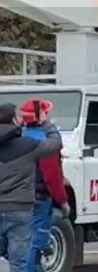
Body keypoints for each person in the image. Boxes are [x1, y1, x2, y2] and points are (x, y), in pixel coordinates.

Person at [0, 103, 62, 272]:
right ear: (14, 120)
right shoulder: (28, 144)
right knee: (19, 262)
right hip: (20, 208)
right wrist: (46, 124)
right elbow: (55, 144)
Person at [19, 100, 67, 272]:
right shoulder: (43, 140)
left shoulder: (17, 136)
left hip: (18, 198)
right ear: (41, 116)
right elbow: (52, 176)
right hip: (38, 199)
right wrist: (62, 200)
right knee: (35, 243)